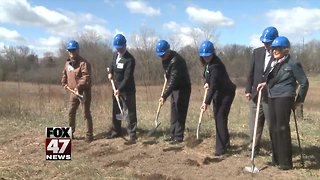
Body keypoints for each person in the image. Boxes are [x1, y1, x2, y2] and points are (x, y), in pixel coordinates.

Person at [257, 36, 309, 170]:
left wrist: (299, 101)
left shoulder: (292, 63)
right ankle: (276, 158)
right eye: (274, 49)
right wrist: (265, 84)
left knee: (282, 127)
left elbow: (304, 83)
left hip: (285, 97)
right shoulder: (275, 63)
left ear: (285, 49)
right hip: (272, 96)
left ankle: (286, 162)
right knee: (273, 127)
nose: (274, 51)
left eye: (278, 49)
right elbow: (275, 80)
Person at [245, 26, 278, 154]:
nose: (265, 44)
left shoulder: (280, 55)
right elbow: (251, 72)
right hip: (255, 94)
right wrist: (248, 89)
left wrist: (268, 84)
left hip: (270, 96)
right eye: (264, 42)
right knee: (254, 123)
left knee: (272, 124)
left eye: (268, 42)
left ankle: (275, 149)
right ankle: (253, 147)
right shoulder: (257, 52)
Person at [199, 40, 236, 156]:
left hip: (226, 93)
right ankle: (226, 143)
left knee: (220, 118)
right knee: (220, 118)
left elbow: (214, 86)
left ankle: (220, 149)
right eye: (204, 56)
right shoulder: (207, 64)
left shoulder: (216, 65)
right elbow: (207, 75)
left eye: (208, 55)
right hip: (218, 93)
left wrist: (206, 102)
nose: (206, 58)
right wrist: (206, 81)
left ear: (213, 53)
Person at [155, 39, 191, 144]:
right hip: (175, 88)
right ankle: (172, 134)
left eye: (163, 55)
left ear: (168, 51)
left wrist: (164, 96)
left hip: (183, 87)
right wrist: (166, 73)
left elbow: (173, 81)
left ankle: (178, 137)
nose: (161, 57)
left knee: (180, 111)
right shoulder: (165, 59)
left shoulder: (176, 61)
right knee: (174, 112)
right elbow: (169, 73)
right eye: (160, 55)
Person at [107, 34, 137, 145]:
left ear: (125, 45)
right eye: (117, 47)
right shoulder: (115, 55)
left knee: (129, 112)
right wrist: (110, 72)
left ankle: (132, 135)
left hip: (127, 89)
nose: (118, 49)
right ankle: (116, 131)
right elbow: (111, 64)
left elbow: (127, 77)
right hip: (116, 88)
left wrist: (119, 89)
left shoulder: (130, 59)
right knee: (116, 110)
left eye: (120, 47)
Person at [61, 40, 93, 143]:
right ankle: (71, 133)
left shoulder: (84, 63)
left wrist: (78, 87)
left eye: (73, 50)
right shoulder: (67, 63)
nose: (71, 52)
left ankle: (89, 135)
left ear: (78, 50)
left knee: (86, 114)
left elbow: (86, 77)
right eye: (70, 50)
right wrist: (64, 82)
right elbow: (65, 74)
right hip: (73, 93)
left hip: (83, 92)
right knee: (71, 112)